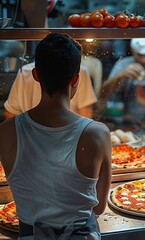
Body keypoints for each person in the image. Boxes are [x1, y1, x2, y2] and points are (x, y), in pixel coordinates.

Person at [0, 33, 112, 239]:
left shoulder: (6, 132)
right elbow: (99, 207)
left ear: (35, 75)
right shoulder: (98, 134)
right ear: (76, 78)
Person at [3, 61, 97, 119]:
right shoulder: (80, 71)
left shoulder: (25, 71)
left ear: (36, 75)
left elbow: (11, 114)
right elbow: (86, 115)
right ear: (74, 79)